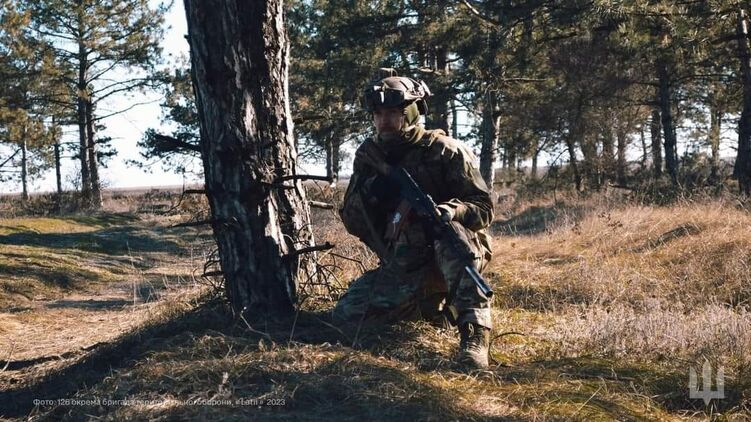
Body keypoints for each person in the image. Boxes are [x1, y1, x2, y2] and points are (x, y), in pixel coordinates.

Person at [333, 69, 495, 369]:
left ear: (411, 113)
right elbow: (354, 222)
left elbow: (484, 207)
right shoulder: (369, 157)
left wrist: (452, 211)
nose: (384, 121)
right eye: (378, 114)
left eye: (393, 113)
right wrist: (373, 189)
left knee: (452, 234)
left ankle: (474, 336)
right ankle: (427, 307)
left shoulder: (446, 151)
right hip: (405, 260)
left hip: (454, 255)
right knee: (347, 314)